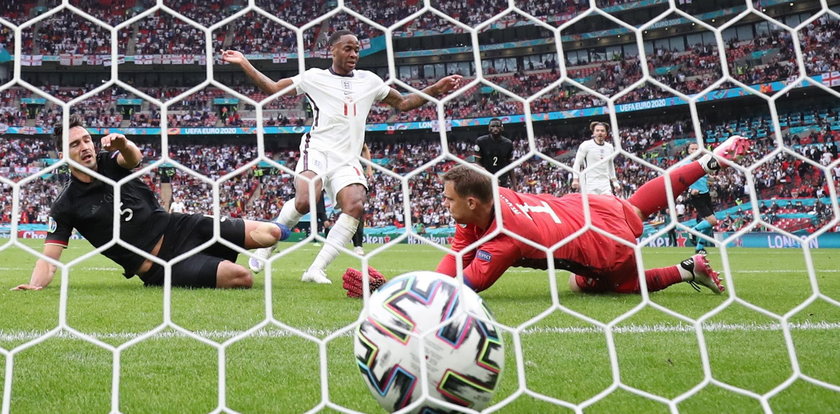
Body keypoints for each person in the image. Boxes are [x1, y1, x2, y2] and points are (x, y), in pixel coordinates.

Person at [222, 30, 461, 284]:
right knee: (305, 201)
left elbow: (402, 103)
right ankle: (265, 246)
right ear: (332, 50)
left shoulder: (369, 80)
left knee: (355, 205)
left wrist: (436, 88)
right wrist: (244, 63)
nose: (354, 54)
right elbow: (272, 88)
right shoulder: (314, 77)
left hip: (347, 159)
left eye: (357, 49)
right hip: (318, 150)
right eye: (347, 48)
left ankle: (316, 269)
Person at [432, 135, 751, 295]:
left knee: (593, 285)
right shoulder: (492, 195)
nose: (445, 205)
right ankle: (706, 163)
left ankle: (686, 270)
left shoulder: (506, 241)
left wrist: (414, 295)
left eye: (448, 200)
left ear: (472, 202)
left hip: (604, 246)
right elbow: (458, 254)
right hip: (584, 208)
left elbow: (463, 286)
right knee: (636, 206)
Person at [11, 117, 289, 291]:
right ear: (62, 154)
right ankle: (212, 263)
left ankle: (296, 214)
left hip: (181, 228)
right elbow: (49, 257)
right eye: (75, 144)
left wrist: (123, 143)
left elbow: (133, 158)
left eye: (87, 140)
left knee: (271, 234)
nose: (85, 147)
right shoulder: (66, 203)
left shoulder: (110, 162)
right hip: (159, 264)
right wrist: (35, 285)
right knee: (242, 278)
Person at [685, 142, 718, 255]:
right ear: (688, 151)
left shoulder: (702, 163)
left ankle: (700, 248)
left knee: (711, 223)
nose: (694, 151)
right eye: (692, 149)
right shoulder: (685, 164)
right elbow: (680, 180)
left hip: (706, 194)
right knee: (713, 221)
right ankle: (693, 231)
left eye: (696, 149)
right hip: (696, 195)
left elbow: (706, 179)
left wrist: (713, 179)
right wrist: (690, 190)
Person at [571, 121, 620, 195]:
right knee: (592, 205)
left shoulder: (609, 147)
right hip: (590, 183)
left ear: (606, 133)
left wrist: (614, 181)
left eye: (602, 131)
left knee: (607, 204)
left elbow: (610, 165)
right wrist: (575, 179)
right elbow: (577, 163)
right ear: (593, 133)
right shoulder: (586, 145)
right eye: (597, 130)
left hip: (605, 184)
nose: (600, 132)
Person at [473, 118, 515, 188]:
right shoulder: (481, 141)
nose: (495, 129)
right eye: (493, 126)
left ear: (502, 128)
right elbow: (477, 162)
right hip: (485, 181)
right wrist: (490, 177)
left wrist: (514, 184)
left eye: (497, 126)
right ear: (489, 128)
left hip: (502, 182)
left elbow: (510, 164)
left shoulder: (508, 143)